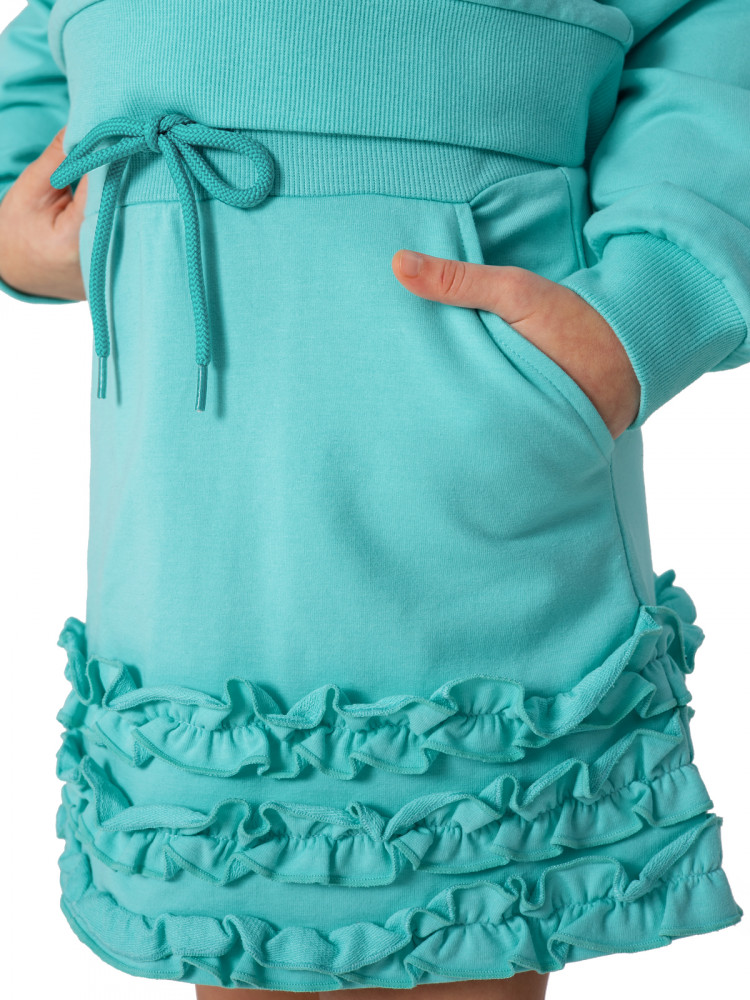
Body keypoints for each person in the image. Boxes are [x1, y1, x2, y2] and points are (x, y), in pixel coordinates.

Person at [0, 1, 747, 997]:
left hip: (453, 459)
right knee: (240, 909)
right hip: (189, 504)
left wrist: (652, 301)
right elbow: (47, 43)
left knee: (454, 916)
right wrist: (14, 212)